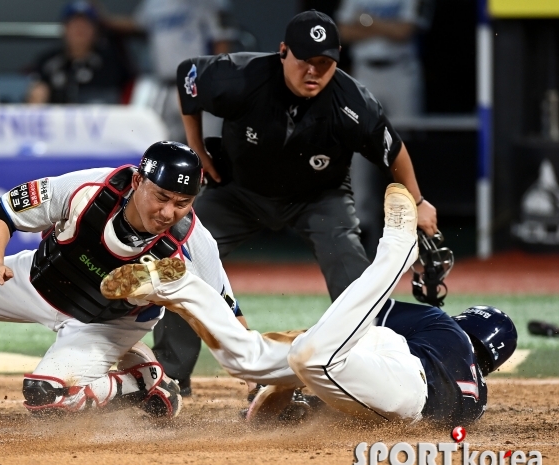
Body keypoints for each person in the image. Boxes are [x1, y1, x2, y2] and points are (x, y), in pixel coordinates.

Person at [159, 9, 438, 395]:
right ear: (283, 51)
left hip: (317, 198)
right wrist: (195, 147)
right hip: (239, 192)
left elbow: (394, 152)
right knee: (180, 256)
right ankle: (171, 376)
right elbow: (187, 77)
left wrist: (420, 202)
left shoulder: (352, 101)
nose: (314, 71)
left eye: (324, 63)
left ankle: (370, 371)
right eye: (305, 60)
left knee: (357, 276)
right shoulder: (241, 76)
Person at [0, 141, 243, 418]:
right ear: (137, 180)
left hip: (106, 323)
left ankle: (141, 384)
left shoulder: (195, 243)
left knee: (48, 398)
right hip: (37, 281)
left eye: (182, 202)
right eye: (161, 197)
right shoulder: (89, 189)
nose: (168, 212)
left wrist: (261, 380)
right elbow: (4, 212)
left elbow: (229, 314)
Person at [102, 184, 518, 426]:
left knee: (279, 356)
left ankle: (399, 249)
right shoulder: (475, 401)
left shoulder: (443, 328)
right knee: (283, 359)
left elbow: (368, 311)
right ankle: (183, 288)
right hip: (399, 398)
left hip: (393, 369)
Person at [336, 0, 432, 255]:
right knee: (359, 149)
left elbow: (405, 31)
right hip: (365, 72)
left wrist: (367, 21)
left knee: (406, 149)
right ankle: (363, 228)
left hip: (401, 72)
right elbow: (343, 31)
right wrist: (386, 26)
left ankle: (415, 226)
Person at [100, 0, 236, 141]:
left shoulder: (210, 3)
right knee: (166, 146)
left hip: (198, 83)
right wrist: (98, 14)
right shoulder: (154, 4)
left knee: (206, 145)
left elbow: (222, 40)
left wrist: (215, 80)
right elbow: (134, 25)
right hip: (166, 86)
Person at [27, 1, 133, 105]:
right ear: (64, 28)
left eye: (85, 25)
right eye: (74, 24)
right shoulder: (48, 61)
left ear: (95, 31)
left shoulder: (110, 62)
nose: (80, 29)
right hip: (55, 120)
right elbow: (33, 96)